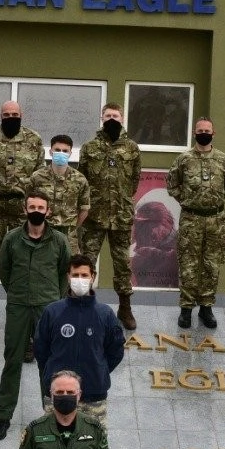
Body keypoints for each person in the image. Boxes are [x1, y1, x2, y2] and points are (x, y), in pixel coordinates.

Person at [34, 253, 125, 449]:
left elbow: (115, 350)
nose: (80, 280)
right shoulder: (53, 312)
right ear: (67, 277)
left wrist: (98, 373)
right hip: (57, 397)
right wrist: (52, 379)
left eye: (85, 275)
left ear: (93, 278)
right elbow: (41, 349)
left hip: (93, 398)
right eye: (76, 275)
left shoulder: (105, 314)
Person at [0, 194, 71, 440]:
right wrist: (17, 291)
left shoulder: (59, 240)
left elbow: (64, 273)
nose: (36, 211)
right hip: (18, 307)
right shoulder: (12, 238)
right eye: (32, 207)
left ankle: (52, 416)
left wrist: (53, 299)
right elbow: (3, 269)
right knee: (12, 361)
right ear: (25, 209)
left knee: (48, 364)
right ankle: (3, 417)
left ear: (48, 211)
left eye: (41, 207)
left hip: (47, 309)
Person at [78, 105, 142, 330]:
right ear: (102, 118)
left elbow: (134, 181)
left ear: (122, 118)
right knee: (86, 261)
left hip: (121, 217)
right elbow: (82, 179)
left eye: (115, 116)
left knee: (123, 265)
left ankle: (125, 309)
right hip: (94, 217)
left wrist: (120, 199)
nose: (112, 119)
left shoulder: (132, 148)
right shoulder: (90, 147)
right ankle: (82, 307)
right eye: (108, 116)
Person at [167, 117, 225, 330]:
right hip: (191, 219)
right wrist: (187, 201)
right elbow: (172, 184)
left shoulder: (223, 159)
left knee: (211, 265)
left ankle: (206, 307)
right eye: (199, 130)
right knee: (188, 264)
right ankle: (186, 308)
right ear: (194, 133)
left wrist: (214, 202)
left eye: (207, 130)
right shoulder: (184, 159)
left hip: (216, 220)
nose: (203, 133)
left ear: (213, 134)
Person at [0, 100, 45, 294]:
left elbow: (39, 173)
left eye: (14, 115)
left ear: (21, 115)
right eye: (6, 115)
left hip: (21, 205)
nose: (10, 118)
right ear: (0, 116)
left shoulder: (33, 139)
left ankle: (22, 297)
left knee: (23, 252)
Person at [26, 133, 90, 252]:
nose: (61, 153)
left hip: (69, 235)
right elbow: (27, 203)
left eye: (65, 151)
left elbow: (84, 209)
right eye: (57, 150)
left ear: (70, 153)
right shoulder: (37, 177)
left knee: (70, 267)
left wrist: (73, 227)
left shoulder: (80, 179)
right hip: (43, 232)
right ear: (50, 152)